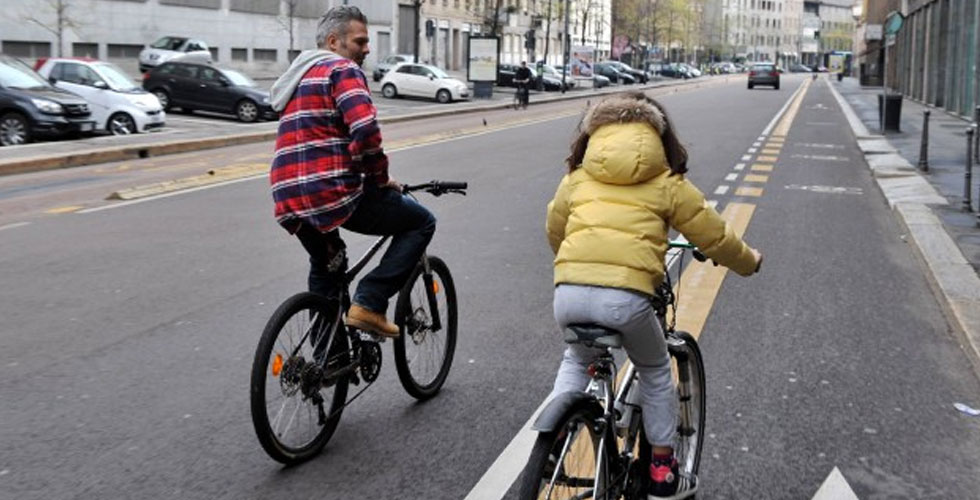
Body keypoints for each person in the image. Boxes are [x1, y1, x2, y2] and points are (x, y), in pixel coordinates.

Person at [545, 92, 762, 498]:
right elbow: (713, 235)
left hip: (569, 294)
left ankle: (555, 437)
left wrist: (580, 265)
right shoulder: (667, 184)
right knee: (656, 370)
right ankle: (661, 466)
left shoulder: (576, 177)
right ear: (656, 139)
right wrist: (749, 261)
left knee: (576, 360)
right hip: (626, 299)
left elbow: (555, 230)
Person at [269, 6, 436, 338]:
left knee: (327, 265)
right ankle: (369, 303)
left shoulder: (297, 77)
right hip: (331, 192)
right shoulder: (341, 69)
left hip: (288, 197)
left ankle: (325, 359)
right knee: (421, 222)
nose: (367, 49)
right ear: (334, 41)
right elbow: (365, 129)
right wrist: (381, 179)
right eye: (360, 41)